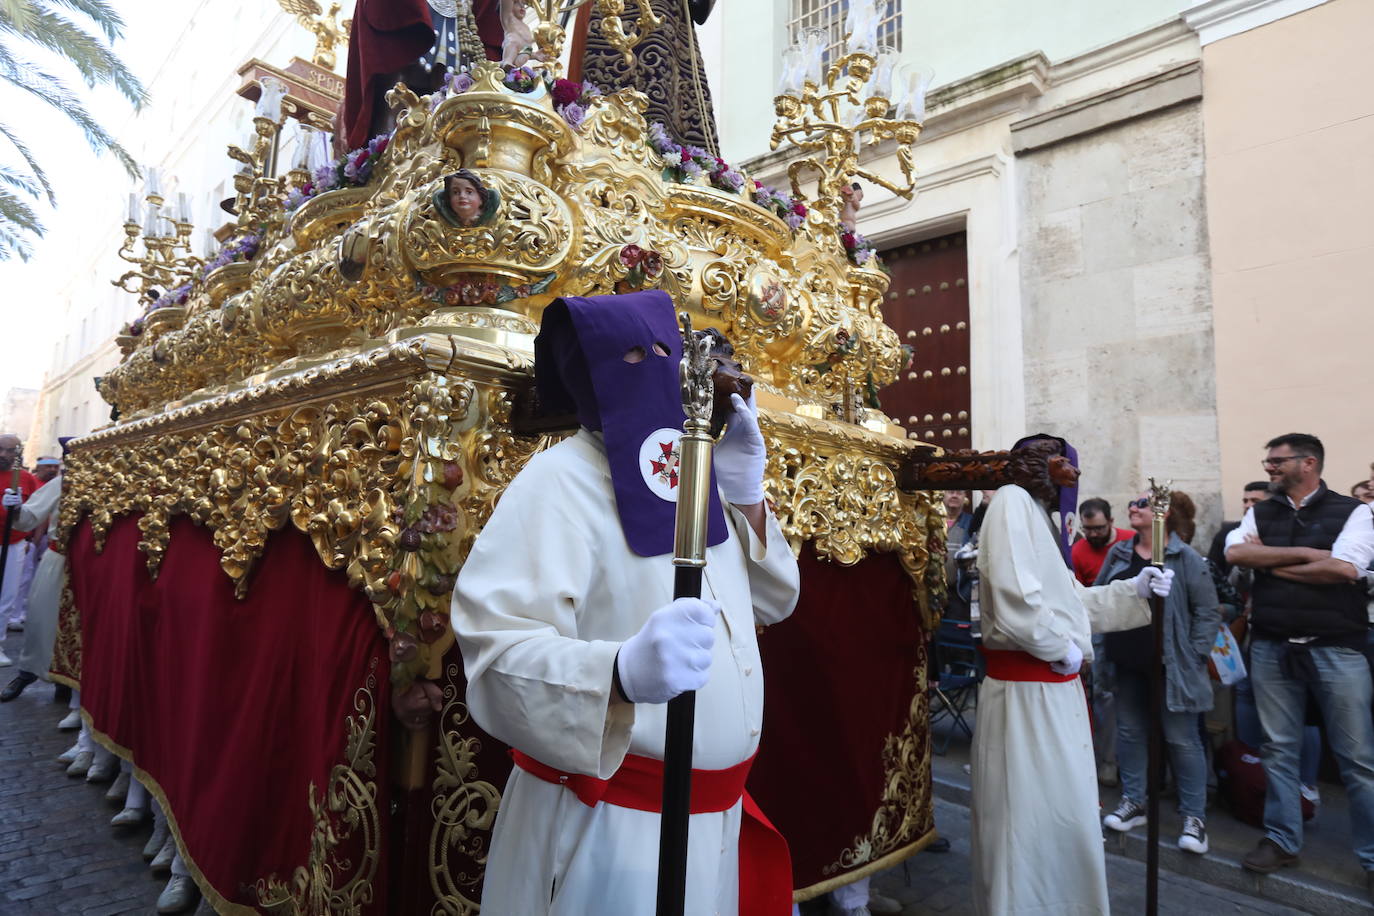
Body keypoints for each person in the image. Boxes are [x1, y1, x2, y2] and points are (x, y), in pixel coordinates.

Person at [451, 291, 799, 915]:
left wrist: (744, 494)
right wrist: (617, 673)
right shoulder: (558, 481)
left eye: (666, 352)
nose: (654, 367)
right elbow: (495, 655)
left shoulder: (690, 472)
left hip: (717, 821)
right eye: (633, 356)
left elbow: (772, 602)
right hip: (611, 828)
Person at [971, 434, 1173, 916]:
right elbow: (1013, 595)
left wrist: (1134, 590)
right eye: (1063, 463)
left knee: (1062, 813)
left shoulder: (1040, 518)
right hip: (1027, 698)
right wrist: (1054, 644)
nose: (1073, 475)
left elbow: (1069, 601)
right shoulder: (1012, 502)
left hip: (1055, 692)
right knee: (1027, 817)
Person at [1224, 434, 1374, 898]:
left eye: (1277, 461)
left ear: (1308, 463)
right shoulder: (1261, 511)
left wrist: (1269, 564)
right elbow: (1235, 553)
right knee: (1278, 749)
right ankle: (1282, 839)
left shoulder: (1354, 511)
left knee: (1357, 759)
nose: (1268, 467)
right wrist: (1310, 555)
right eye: (1267, 461)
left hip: (1337, 647)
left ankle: (1371, 857)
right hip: (1272, 644)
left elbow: (1346, 569)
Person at [1098, 490, 1219, 854]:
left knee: (1182, 740)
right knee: (1130, 732)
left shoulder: (1186, 558)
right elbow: (1100, 595)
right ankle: (1135, 801)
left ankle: (1194, 818)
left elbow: (1208, 612)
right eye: (1132, 502)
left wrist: (1194, 655)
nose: (1132, 507)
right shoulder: (1119, 553)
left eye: (1142, 503)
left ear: (1165, 513)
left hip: (1171, 665)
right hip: (1126, 660)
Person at [1, 452, 66, 702]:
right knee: (41, 621)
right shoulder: (62, 483)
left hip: (97, 565)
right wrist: (17, 507)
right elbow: (30, 517)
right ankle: (27, 672)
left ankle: (69, 683)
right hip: (58, 559)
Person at [0, 434, 40, 657]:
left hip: (13, 543)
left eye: (9, 450)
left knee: (7, 597)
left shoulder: (25, 478)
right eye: (0, 449)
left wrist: (18, 509)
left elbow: (35, 511)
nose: (3, 454)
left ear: (18, 453)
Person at [1208, 481, 1271, 579]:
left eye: (1255, 501)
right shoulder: (1227, 532)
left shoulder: (1281, 531)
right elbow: (1213, 571)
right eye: (1245, 501)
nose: (1247, 505)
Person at [1071, 497, 1132, 587]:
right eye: (1087, 528)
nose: (1093, 534)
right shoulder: (1076, 553)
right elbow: (1079, 591)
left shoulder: (1131, 540)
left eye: (1099, 528)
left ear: (1110, 522)